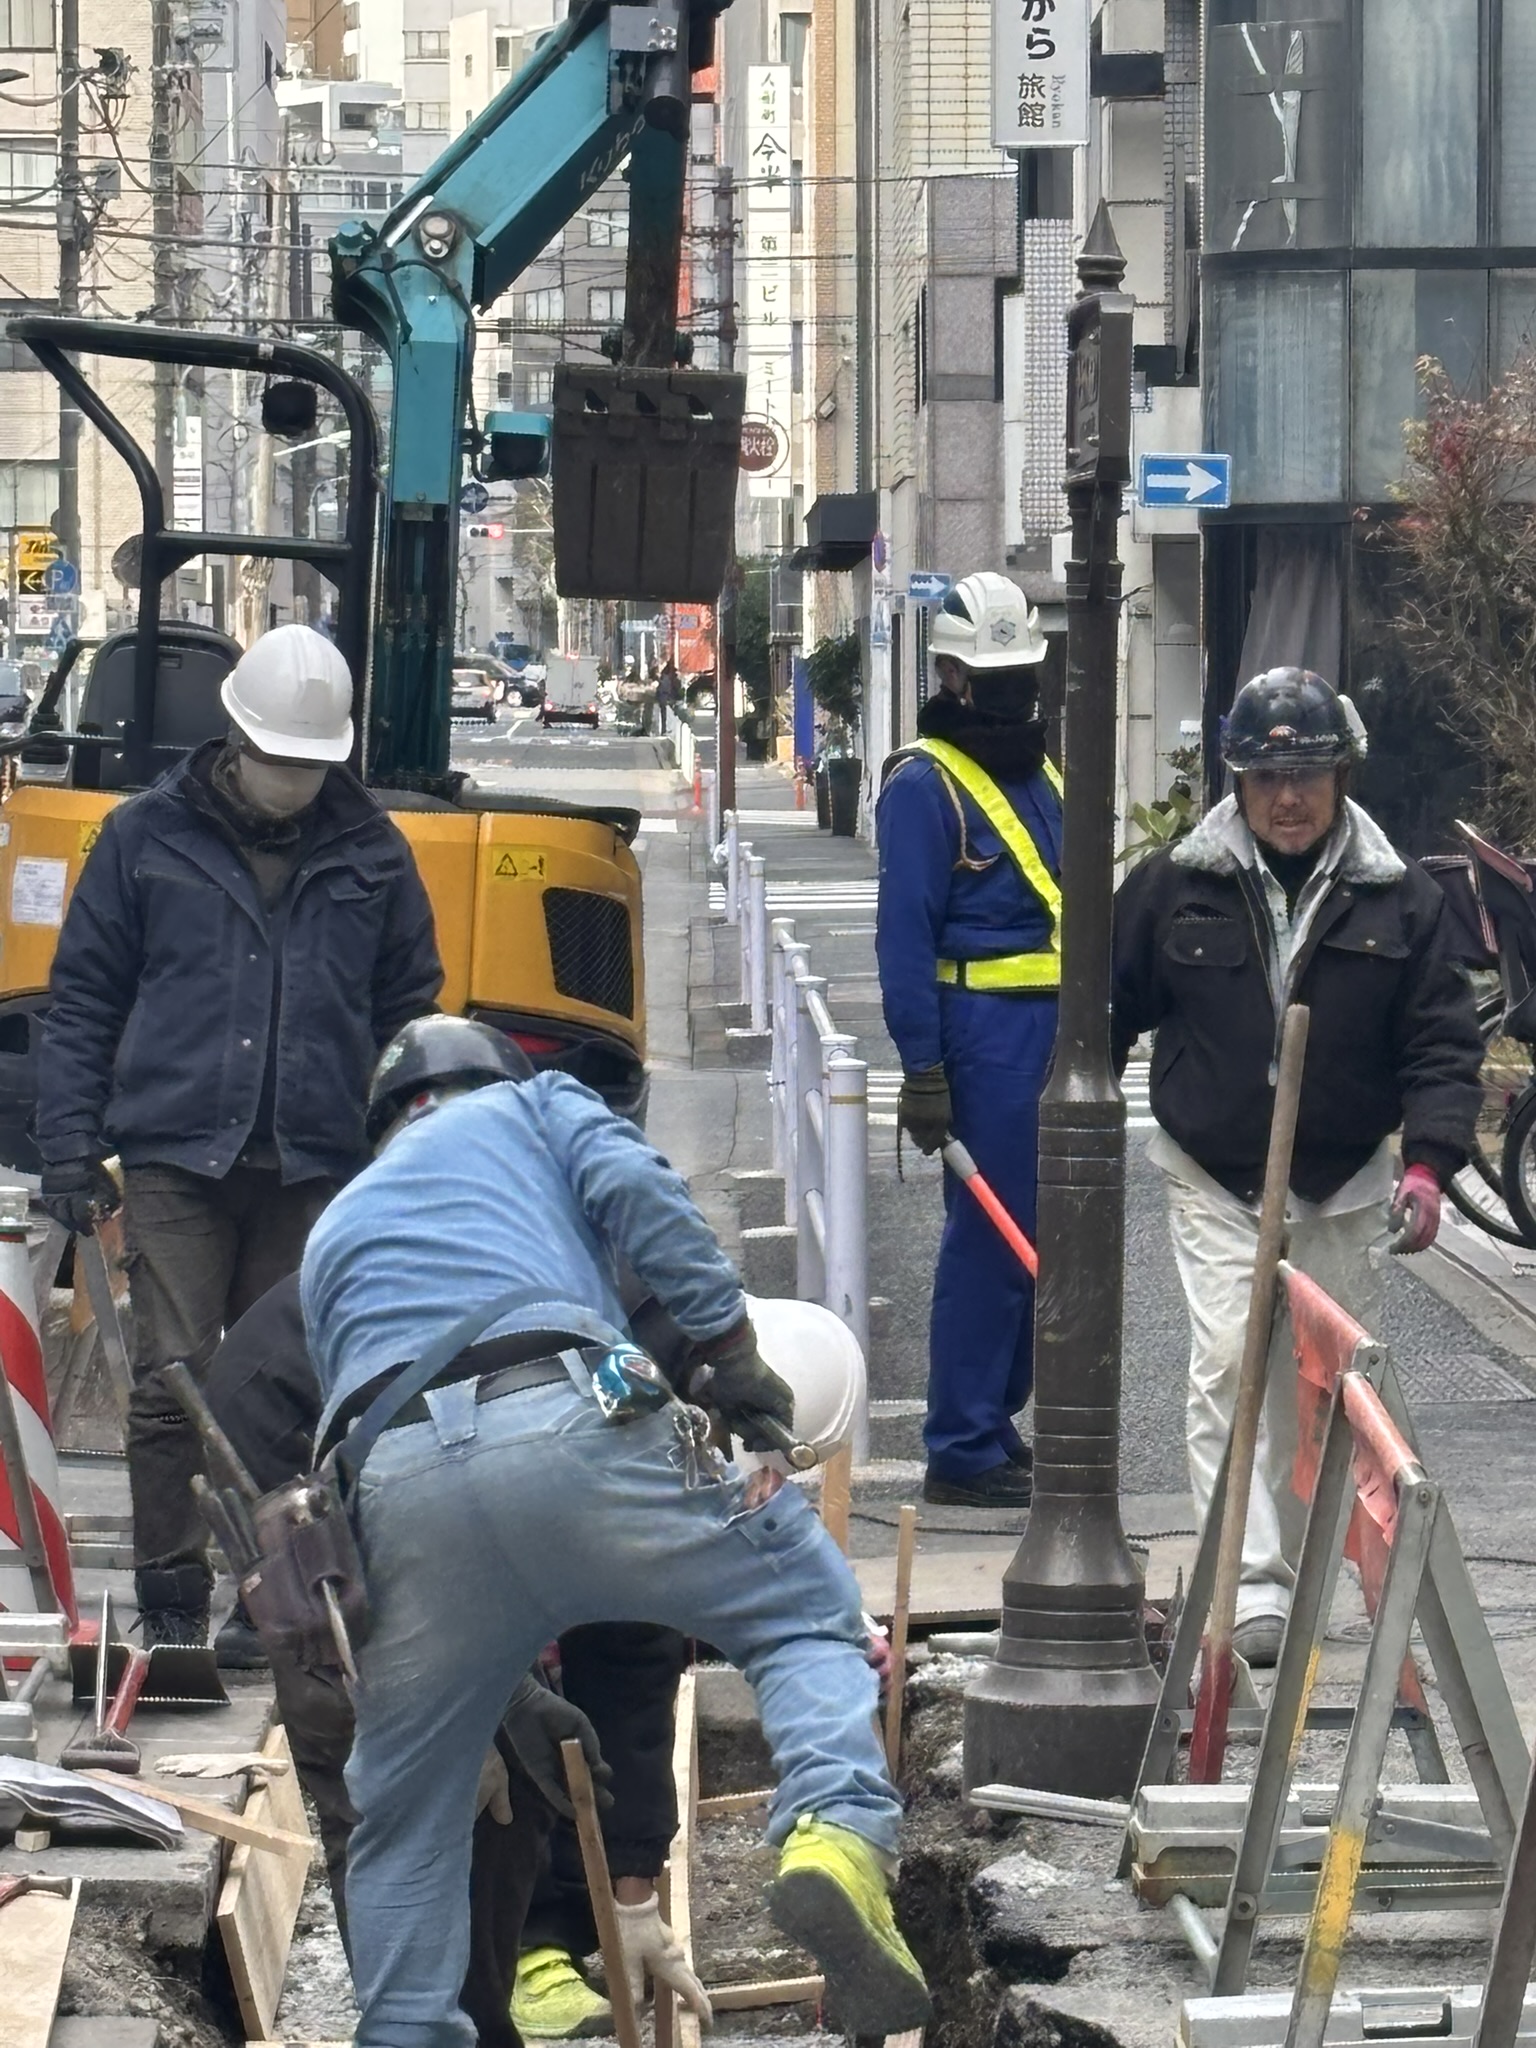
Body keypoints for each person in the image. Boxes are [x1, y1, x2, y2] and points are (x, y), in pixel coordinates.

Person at [301, 1014, 932, 2048]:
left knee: (406, 1822)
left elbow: (370, 1447)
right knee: (803, 1613)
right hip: (568, 1409)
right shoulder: (538, 1105)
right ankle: (837, 1831)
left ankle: (405, 2028)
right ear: (497, 1076)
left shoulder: (335, 1227)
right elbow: (641, 1192)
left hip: (396, 1483)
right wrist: (728, 1344)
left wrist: (479, 1701)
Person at [35, 623, 443, 1656]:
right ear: (236, 739)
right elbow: (83, 1000)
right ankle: (171, 1591)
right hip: (178, 1154)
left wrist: (410, 1143)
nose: (293, 782)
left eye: (311, 766)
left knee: (289, 1386)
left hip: (314, 1160)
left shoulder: (372, 852)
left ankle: (277, 1596)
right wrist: (69, 1144)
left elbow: (409, 1008)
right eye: (278, 761)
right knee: (172, 1380)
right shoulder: (144, 838)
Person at [200, 1271, 702, 2048]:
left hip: (451, 1441)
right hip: (297, 1428)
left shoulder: (652, 1398)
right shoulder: (596, 1363)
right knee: (394, 1783)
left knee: (521, 1775)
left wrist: (631, 1892)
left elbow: (631, 1643)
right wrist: (446, 1705)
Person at [1111, 668, 1483, 1666]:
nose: (1286, 797)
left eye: (1306, 775)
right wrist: (1073, 1115)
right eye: (1267, 776)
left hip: (1344, 1175)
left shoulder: (1397, 895)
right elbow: (1107, 1004)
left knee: (1325, 1384)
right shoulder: (1176, 884)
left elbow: (1442, 1042)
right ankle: (1251, 1584)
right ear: (1236, 778)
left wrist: (1428, 1165)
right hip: (1214, 1168)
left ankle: (1321, 1571)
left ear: (1342, 775)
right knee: (1231, 1364)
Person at [875, 572, 1059, 1508]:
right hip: (983, 1041)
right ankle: (961, 1445)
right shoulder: (922, 783)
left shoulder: (1041, 772)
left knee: (1044, 1239)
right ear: (950, 675)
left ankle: (994, 1418)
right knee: (992, 1240)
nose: (1012, 693)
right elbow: (903, 939)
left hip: (1051, 1037)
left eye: (1021, 674)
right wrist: (923, 1070)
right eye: (995, 677)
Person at [654, 660, 682, 736]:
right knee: (665, 714)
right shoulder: (667, 676)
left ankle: (664, 729)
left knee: (664, 714)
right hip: (666, 697)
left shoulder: (665, 676)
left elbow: (665, 687)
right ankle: (664, 729)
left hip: (664, 697)